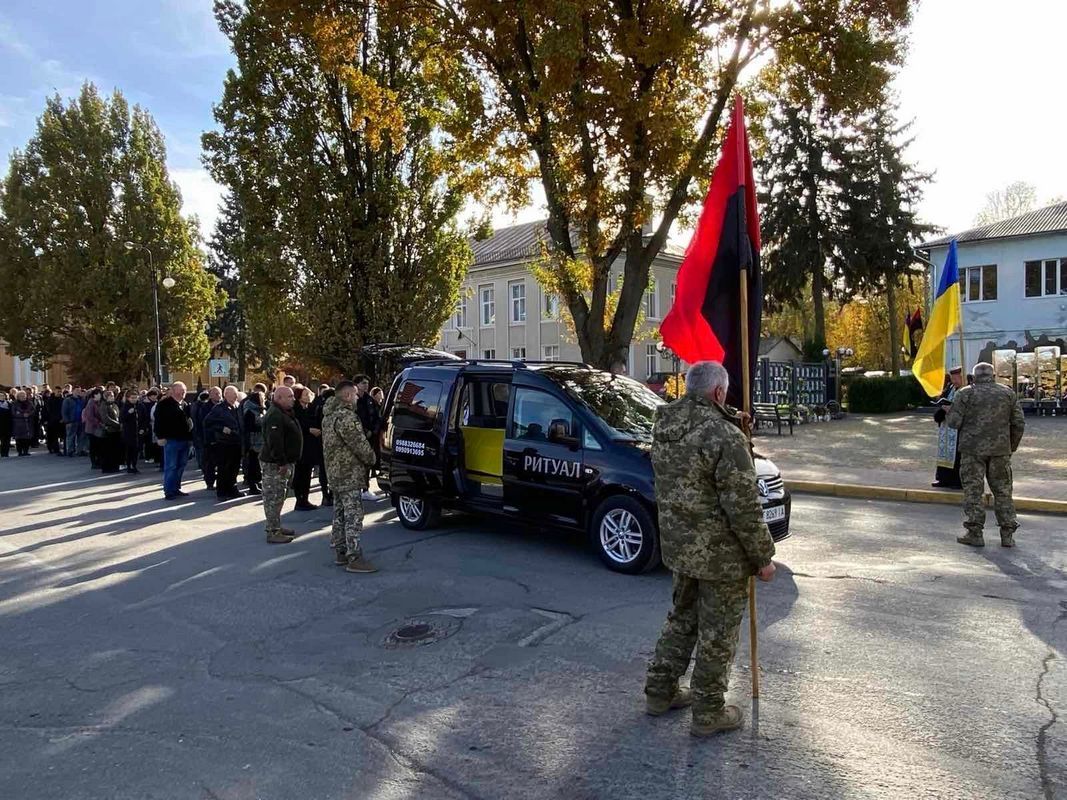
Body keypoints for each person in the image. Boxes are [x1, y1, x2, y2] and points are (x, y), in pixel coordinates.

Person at [644, 361, 777, 737]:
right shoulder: (725, 437)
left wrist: (734, 419)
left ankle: (659, 692)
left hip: (681, 549)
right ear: (719, 392)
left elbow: (700, 427)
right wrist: (763, 558)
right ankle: (707, 711)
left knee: (681, 621)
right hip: (721, 556)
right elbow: (744, 506)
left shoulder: (665, 425)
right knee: (718, 634)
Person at [946, 361, 1026, 548]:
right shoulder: (1007, 393)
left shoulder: (965, 393)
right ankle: (1007, 534)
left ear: (973, 377)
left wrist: (951, 412)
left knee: (973, 491)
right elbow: (1019, 423)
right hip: (1000, 451)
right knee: (1003, 492)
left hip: (972, 451)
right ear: (993, 376)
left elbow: (954, 423)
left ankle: (975, 533)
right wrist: (1011, 446)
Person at [322, 380, 379, 573]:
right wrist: (372, 458)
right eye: (354, 394)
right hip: (349, 473)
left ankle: (340, 551)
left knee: (339, 513)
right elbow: (359, 444)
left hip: (335, 473)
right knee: (353, 516)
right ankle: (354, 557)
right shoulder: (346, 417)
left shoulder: (328, 416)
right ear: (347, 396)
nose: (357, 398)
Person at [259, 385, 302, 544]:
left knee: (280, 496)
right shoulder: (275, 415)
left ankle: (276, 526)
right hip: (275, 464)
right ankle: (273, 531)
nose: (293, 399)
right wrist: (281, 462)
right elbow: (274, 441)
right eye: (289, 397)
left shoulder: (284, 412)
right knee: (273, 497)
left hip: (285, 462)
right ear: (279, 398)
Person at [203, 385, 244, 500]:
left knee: (234, 468)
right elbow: (207, 422)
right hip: (224, 442)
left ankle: (232, 489)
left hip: (236, 441)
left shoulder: (237, 406)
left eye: (236, 394)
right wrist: (221, 428)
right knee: (223, 468)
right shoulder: (219, 408)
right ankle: (222, 492)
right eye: (233, 394)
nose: (236, 396)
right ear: (226, 395)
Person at [154, 382, 193, 500]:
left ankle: (176, 488)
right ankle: (169, 491)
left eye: (185, 390)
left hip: (184, 440)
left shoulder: (185, 404)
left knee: (181, 465)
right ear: (173, 391)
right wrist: (160, 437)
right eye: (181, 390)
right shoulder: (164, 404)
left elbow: (189, 421)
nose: (184, 392)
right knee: (171, 466)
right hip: (171, 440)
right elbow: (158, 422)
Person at [931, 367, 964, 489]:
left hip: (957, 429)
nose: (954, 381)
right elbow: (943, 400)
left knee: (956, 456)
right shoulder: (950, 388)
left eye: (956, 378)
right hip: (946, 426)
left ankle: (957, 481)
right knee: (944, 453)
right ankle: (943, 479)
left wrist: (951, 410)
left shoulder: (966, 391)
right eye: (952, 378)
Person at [292, 385, 322, 510]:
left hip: (310, 446)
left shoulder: (310, 408)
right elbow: (296, 425)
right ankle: (300, 500)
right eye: (305, 394)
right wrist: (308, 430)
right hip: (300, 446)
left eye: (309, 394)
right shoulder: (295, 410)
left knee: (307, 474)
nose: (308, 396)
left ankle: (305, 499)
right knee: (300, 473)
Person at [354, 374, 381, 502]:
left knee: (367, 464)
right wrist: (364, 431)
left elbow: (377, 416)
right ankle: (355, 490)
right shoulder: (352, 399)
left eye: (367, 383)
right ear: (357, 385)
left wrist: (373, 431)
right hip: (356, 437)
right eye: (363, 383)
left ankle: (365, 489)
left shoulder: (370, 400)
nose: (366, 385)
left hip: (369, 438)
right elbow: (353, 418)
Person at [194, 387, 222, 489]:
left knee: (221, 463)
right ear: (210, 395)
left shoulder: (223, 406)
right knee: (210, 463)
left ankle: (221, 483)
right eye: (215, 394)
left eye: (219, 393)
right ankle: (210, 483)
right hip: (209, 439)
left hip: (222, 439)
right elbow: (203, 423)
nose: (218, 396)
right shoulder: (205, 407)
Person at [241, 386, 267, 495]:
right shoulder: (250, 411)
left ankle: (258, 482)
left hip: (260, 440)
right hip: (253, 442)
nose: (264, 399)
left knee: (258, 465)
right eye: (263, 398)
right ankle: (253, 485)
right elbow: (250, 427)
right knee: (253, 464)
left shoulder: (261, 410)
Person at [98, 389, 123, 473]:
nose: (112, 397)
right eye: (110, 396)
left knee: (115, 450)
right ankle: (107, 467)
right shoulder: (103, 405)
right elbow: (106, 418)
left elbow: (118, 415)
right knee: (108, 450)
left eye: (113, 396)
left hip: (116, 430)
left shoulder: (114, 405)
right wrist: (117, 424)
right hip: (109, 431)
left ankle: (115, 466)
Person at [120, 389, 142, 473]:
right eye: (132, 398)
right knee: (129, 450)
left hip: (138, 431)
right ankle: (129, 466)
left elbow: (144, 417)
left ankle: (134, 465)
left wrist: (143, 428)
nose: (134, 399)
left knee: (136, 450)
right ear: (128, 398)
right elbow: (122, 419)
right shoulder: (125, 407)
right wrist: (128, 413)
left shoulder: (140, 406)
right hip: (128, 432)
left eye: (135, 397)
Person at [138, 388, 161, 465]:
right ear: (149, 396)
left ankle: (154, 457)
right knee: (148, 442)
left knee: (154, 441)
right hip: (147, 424)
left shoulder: (155, 403)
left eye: (155, 395)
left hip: (154, 424)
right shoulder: (144, 404)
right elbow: (144, 415)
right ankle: (148, 457)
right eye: (153, 395)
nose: (154, 397)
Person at [11, 390, 38, 457]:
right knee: (19, 439)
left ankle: (26, 451)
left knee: (27, 438)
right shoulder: (14, 403)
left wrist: (29, 414)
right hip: (18, 424)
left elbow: (34, 410)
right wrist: (22, 415)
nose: (23, 397)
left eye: (24, 396)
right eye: (21, 396)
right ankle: (20, 452)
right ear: (18, 397)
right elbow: (13, 413)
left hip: (28, 423)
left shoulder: (29, 403)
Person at [83, 388, 104, 468]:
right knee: (93, 447)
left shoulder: (99, 402)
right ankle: (94, 463)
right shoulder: (91, 403)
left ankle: (98, 461)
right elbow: (90, 416)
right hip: (92, 428)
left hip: (97, 428)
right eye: (99, 394)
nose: (100, 395)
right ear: (95, 395)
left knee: (98, 446)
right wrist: (99, 422)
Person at [62, 387, 84, 458]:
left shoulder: (82, 399)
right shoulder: (68, 400)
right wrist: (67, 421)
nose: (78, 392)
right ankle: (70, 451)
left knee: (81, 437)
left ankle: (80, 450)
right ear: (73, 391)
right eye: (76, 390)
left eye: (79, 390)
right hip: (71, 421)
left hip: (80, 421)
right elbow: (64, 411)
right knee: (71, 437)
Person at [43, 386, 65, 454]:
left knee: (61, 435)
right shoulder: (49, 400)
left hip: (60, 420)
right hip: (51, 420)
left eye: (60, 392)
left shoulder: (62, 399)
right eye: (58, 391)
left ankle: (59, 449)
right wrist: (45, 420)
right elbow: (46, 410)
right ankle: (53, 448)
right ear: (54, 391)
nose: (59, 393)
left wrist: (63, 418)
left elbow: (64, 410)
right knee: (52, 435)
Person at [0, 390, 11, 457]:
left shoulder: (9, 404)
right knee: (2, 440)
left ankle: (6, 453)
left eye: (3, 395)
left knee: (7, 440)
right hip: (0, 424)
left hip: (7, 424)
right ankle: (2, 452)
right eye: (0, 396)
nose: (2, 397)